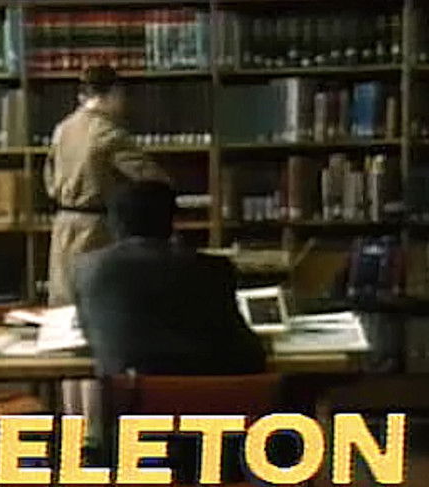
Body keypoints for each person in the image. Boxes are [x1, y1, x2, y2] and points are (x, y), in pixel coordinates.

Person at [74, 180, 266, 378]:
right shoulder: (213, 269)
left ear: (114, 223)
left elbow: (90, 334)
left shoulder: (87, 269)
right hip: (206, 392)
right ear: (171, 221)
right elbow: (248, 351)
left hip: (130, 392)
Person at [44, 64, 168, 309]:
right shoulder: (108, 133)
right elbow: (149, 177)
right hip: (96, 229)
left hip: (63, 226)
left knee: (65, 302)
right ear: (113, 93)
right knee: (99, 300)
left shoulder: (63, 128)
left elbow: (49, 176)